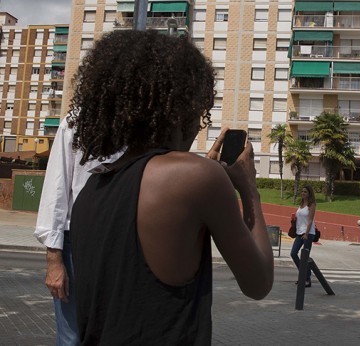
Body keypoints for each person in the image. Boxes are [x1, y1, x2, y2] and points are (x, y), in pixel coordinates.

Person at [67, 30, 274, 344]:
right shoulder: (196, 178)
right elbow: (259, 283)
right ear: (180, 106)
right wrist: (249, 188)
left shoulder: (92, 188)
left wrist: (203, 169)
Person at [33, 116, 120, 345]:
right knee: (72, 338)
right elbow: (55, 191)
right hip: (76, 245)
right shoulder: (76, 122)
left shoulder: (141, 119)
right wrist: (54, 261)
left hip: (123, 243)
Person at [290, 184, 317, 287]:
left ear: (309, 193)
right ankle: (304, 275)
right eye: (302, 191)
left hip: (308, 233)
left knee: (304, 256)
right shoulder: (301, 204)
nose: (303, 193)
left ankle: (307, 279)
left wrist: (306, 234)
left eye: (305, 192)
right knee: (293, 253)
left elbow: (310, 220)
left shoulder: (312, 204)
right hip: (299, 232)